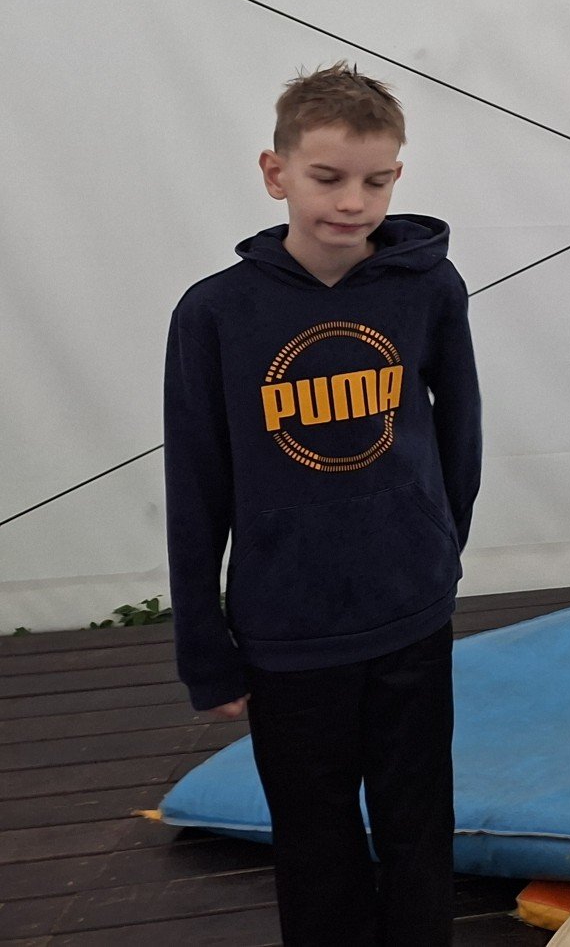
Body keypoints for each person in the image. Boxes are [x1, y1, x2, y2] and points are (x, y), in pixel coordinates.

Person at [165, 62, 481, 947]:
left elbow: (459, 433)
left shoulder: (429, 288)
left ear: (397, 177)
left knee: (419, 818)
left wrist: (436, 552)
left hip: (409, 612)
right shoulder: (215, 314)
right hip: (288, 627)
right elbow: (195, 486)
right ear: (276, 174)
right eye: (328, 177)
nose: (352, 202)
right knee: (313, 835)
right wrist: (207, 652)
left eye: (375, 181)